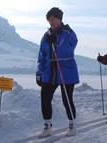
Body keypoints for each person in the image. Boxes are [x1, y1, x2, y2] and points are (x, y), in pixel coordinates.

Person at [36, 7, 79, 137]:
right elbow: (42, 55)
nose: (51, 21)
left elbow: (70, 48)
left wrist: (57, 41)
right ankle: (47, 126)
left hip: (66, 69)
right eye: (49, 19)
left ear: (60, 19)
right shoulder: (46, 35)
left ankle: (72, 125)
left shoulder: (68, 32)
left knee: (67, 99)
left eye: (53, 19)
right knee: (45, 98)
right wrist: (39, 73)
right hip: (50, 71)